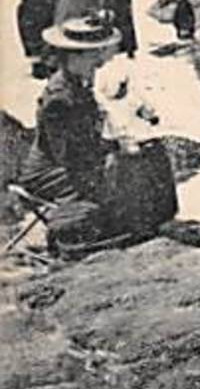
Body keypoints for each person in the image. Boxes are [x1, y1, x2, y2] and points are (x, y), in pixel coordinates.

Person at [15, 16, 168, 252]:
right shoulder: (60, 99)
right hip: (53, 171)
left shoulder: (79, 82)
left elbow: (90, 135)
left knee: (151, 155)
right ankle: (133, 230)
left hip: (78, 160)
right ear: (72, 56)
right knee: (132, 170)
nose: (99, 59)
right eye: (93, 54)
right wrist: (116, 152)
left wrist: (119, 144)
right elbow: (70, 157)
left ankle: (149, 223)